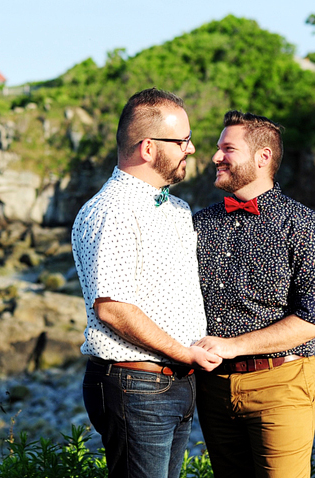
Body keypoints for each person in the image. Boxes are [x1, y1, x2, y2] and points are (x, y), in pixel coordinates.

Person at [73, 88, 221, 478]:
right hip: (136, 386)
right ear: (149, 148)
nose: (191, 149)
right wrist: (183, 352)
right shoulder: (112, 212)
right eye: (182, 141)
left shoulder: (176, 208)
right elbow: (112, 308)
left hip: (176, 383)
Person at [192, 110, 315, 478]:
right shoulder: (199, 223)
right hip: (212, 389)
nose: (215, 157)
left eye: (228, 148)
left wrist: (234, 345)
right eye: (217, 148)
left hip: (282, 385)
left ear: (263, 157)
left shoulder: (304, 226)